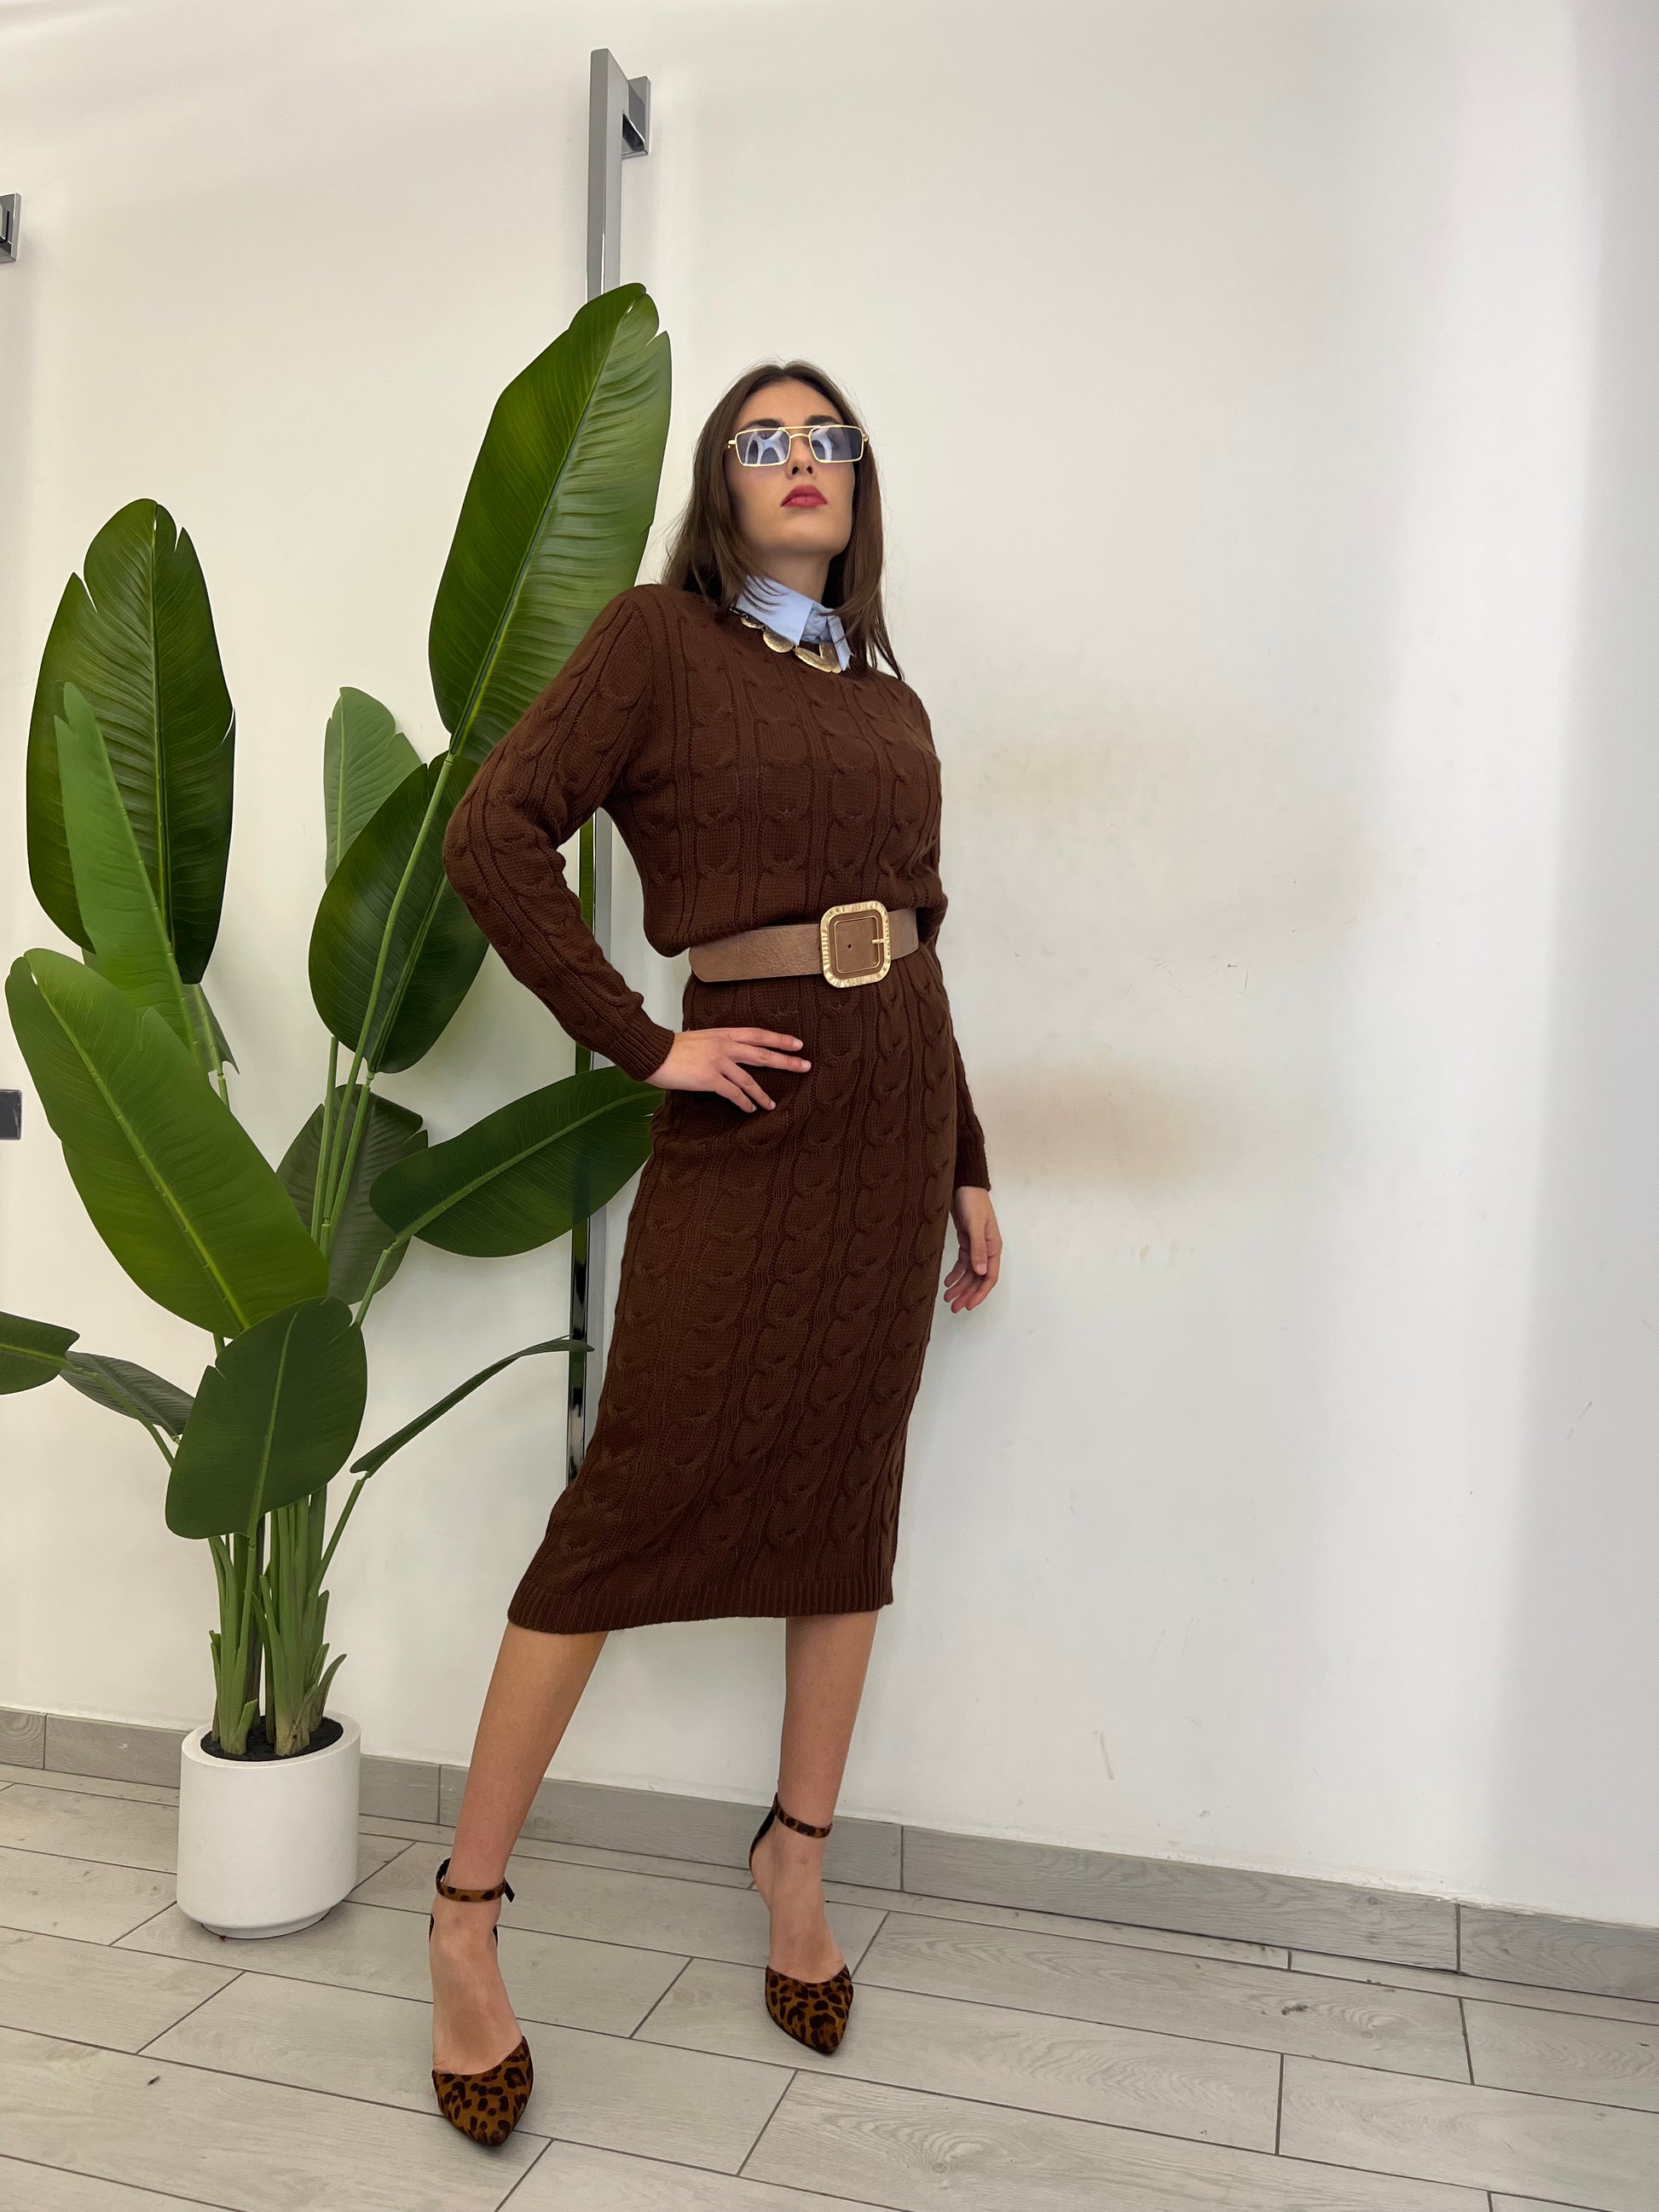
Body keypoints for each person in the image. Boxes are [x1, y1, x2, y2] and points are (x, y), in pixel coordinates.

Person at [425, 358, 1003, 2145]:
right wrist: (642, 1044)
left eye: (828, 439)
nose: (800, 460)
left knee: (846, 1496)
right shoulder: (654, 643)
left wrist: (967, 1159)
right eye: (765, 440)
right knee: (623, 1508)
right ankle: (463, 1916)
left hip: (893, 1123)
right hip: (750, 1114)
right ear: (718, 482)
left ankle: (793, 1860)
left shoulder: (890, 702)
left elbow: (916, 940)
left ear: (858, 483)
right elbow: (491, 833)